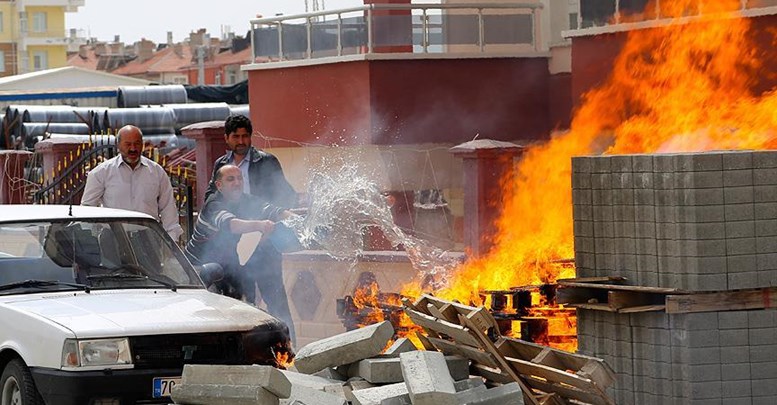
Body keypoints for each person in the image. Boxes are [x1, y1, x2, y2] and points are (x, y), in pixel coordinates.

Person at [204, 114, 297, 340]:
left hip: (265, 241)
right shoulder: (221, 165)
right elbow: (211, 197)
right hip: (233, 245)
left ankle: (290, 346)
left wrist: (271, 226)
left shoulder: (266, 161)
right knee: (238, 300)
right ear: (227, 138)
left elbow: (285, 196)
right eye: (236, 136)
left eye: (246, 136)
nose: (242, 141)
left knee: (275, 297)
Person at [186, 165, 295, 341]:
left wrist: (296, 219)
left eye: (239, 178)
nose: (237, 183)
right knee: (211, 319)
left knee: (245, 308)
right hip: (199, 270)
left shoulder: (247, 201)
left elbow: (274, 211)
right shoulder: (213, 204)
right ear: (219, 185)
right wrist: (260, 225)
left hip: (231, 266)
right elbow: (232, 225)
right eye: (231, 179)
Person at [82, 125, 183, 241]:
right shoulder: (101, 173)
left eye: (137, 143)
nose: (133, 149)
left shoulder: (156, 172)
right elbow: (88, 208)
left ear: (142, 144)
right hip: (113, 238)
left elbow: (168, 207)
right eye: (128, 144)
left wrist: (172, 239)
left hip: (148, 239)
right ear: (118, 145)